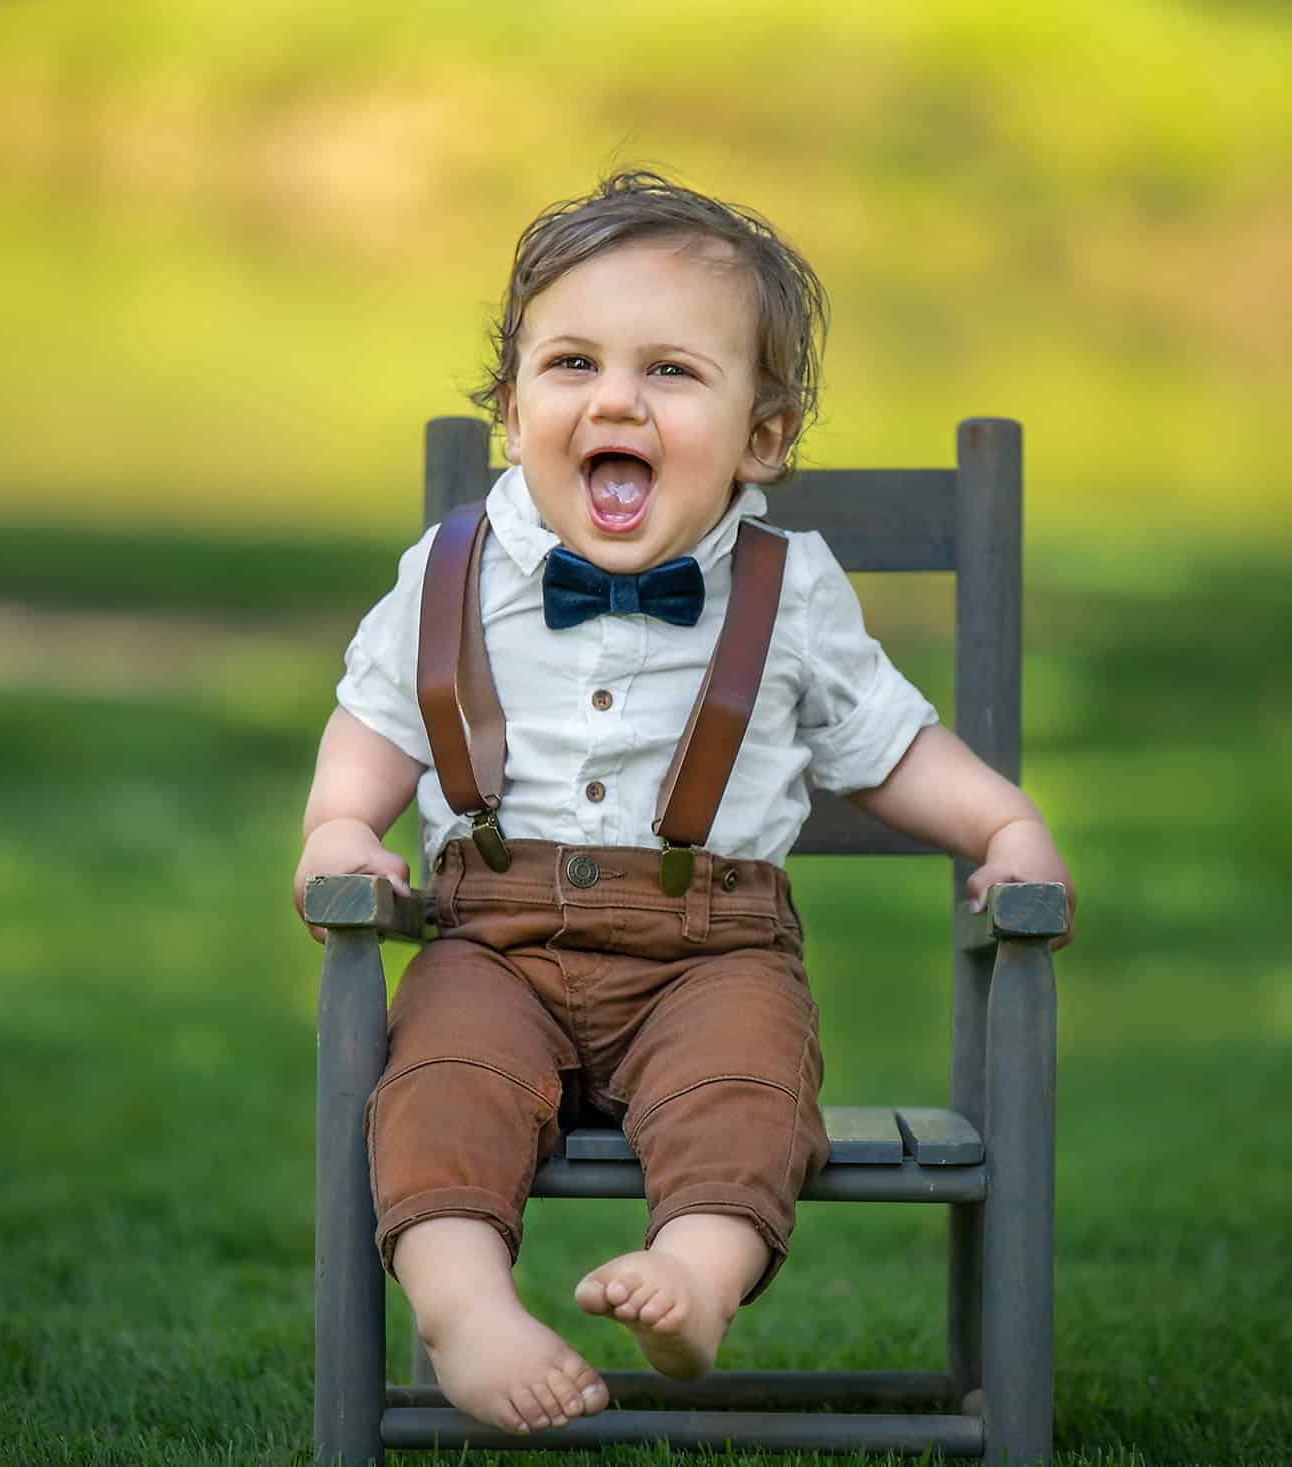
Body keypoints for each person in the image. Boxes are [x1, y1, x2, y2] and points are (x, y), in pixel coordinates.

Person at [291, 171, 1074, 1435]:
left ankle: (694, 1278)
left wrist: (1003, 828)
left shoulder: (791, 588)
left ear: (761, 440)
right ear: (508, 411)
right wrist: (339, 832)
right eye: (572, 364)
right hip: (488, 943)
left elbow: (889, 745)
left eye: (669, 372)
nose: (614, 399)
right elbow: (376, 722)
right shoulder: (445, 572)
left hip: (710, 956)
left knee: (749, 1091)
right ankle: (465, 1309)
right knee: (436, 1077)